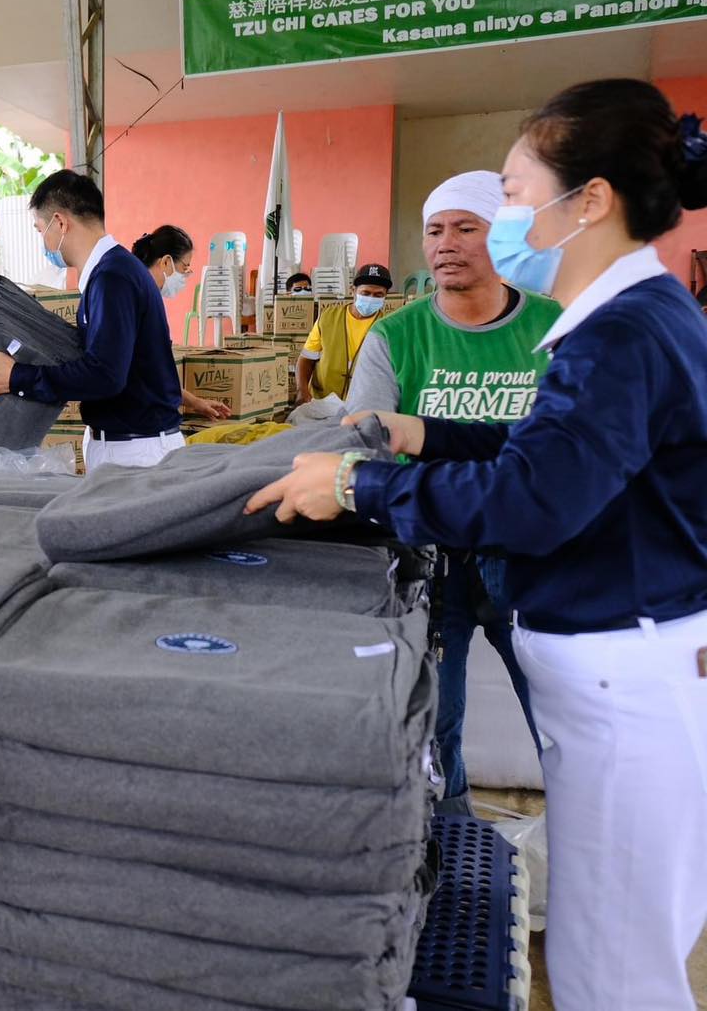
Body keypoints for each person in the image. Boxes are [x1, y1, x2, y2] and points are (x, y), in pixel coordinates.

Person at [246, 78, 707, 1011]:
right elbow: (560, 453)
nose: (496, 218)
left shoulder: (621, 333)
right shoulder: (630, 321)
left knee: (609, 975)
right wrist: (427, 436)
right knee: (606, 942)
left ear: (591, 203)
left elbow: (536, 499)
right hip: (625, 668)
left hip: (627, 677)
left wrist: (355, 482)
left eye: (510, 191)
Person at [347, 170, 563, 813]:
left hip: (533, 562)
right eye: (435, 230)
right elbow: (365, 441)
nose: (447, 243)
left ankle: (585, 850)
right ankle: (457, 849)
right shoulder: (395, 337)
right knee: (437, 727)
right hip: (432, 562)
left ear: (503, 240)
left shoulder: (556, 328)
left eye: (467, 228)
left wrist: (427, 442)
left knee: (562, 721)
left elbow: (566, 452)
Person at [0, 169, 186, 470]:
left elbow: (105, 375)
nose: (43, 240)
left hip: (135, 452)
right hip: (127, 443)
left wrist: (16, 377)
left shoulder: (112, 278)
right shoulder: (112, 271)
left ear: (61, 222)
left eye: (40, 230)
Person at [130, 226, 234, 423]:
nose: (185, 277)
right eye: (185, 268)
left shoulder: (148, 299)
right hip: (136, 426)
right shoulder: (137, 301)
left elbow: (156, 371)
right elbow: (146, 373)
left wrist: (195, 402)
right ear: (166, 262)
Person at [295, 262, 391, 405]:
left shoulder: (388, 327)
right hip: (321, 401)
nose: (371, 298)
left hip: (362, 407)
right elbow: (306, 359)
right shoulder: (328, 318)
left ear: (385, 296)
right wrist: (302, 392)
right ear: (353, 290)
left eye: (378, 295)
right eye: (366, 293)